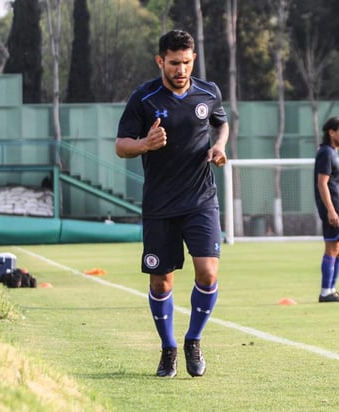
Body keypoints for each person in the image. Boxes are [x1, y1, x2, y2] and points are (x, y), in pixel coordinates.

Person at [115, 30, 229, 377]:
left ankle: (193, 341)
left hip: (200, 200)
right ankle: (168, 349)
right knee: (160, 282)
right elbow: (121, 146)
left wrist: (220, 146)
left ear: (193, 59)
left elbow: (221, 124)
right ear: (160, 61)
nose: (181, 69)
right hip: (160, 205)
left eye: (186, 62)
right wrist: (146, 144)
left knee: (208, 273)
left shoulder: (208, 92)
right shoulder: (144, 98)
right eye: (174, 63)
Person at [314, 116, 339, 303]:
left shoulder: (333, 152)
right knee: (334, 247)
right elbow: (322, 183)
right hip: (332, 208)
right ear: (332, 132)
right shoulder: (326, 153)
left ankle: (332, 289)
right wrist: (330, 210)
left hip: (338, 206)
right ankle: (326, 291)